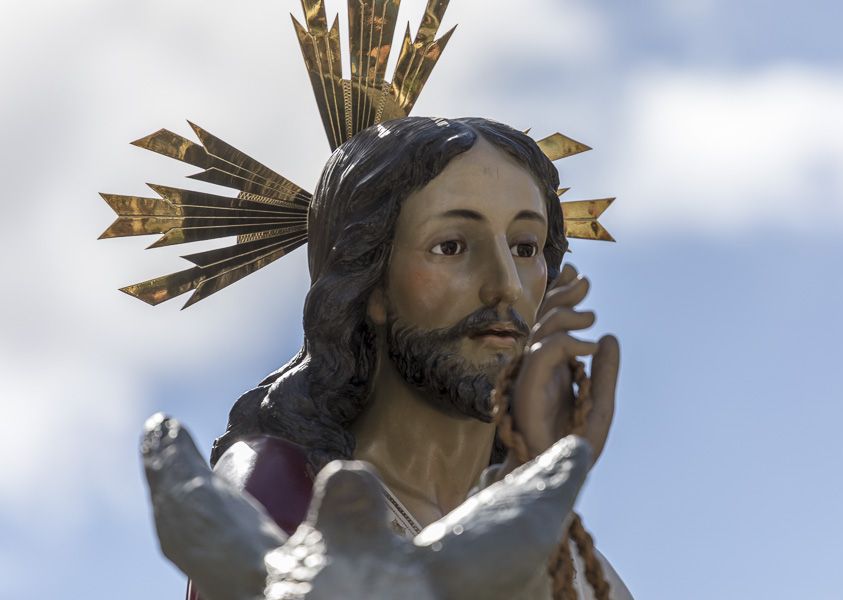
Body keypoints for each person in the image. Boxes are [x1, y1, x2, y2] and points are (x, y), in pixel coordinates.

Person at [204, 116, 632, 599]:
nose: (506, 284)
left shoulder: (577, 566)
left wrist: (536, 477)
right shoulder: (277, 491)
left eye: (524, 247)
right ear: (370, 282)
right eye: (451, 246)